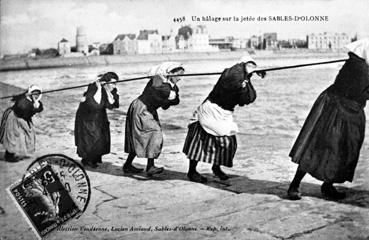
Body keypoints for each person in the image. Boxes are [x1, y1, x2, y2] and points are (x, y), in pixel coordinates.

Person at [287, 39, 369, 200]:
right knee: (320, 146)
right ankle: (294, 185)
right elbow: (359, 91)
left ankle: (327, 185)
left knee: (342, 149)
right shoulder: (358, 68)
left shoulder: (359, 64)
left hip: (351, 111)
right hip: (336, 110)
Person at [183, 56, 266, 183]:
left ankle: (216, 167)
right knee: (200, 140)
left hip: (225, 113)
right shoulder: (232, 73)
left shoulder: (243, 79)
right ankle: (192, 171)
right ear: (242, 64)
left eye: (253, 65)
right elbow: (232, 77)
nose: (251, 67)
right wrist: (246, 72)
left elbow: (247, 98)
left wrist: (250, 76)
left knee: (228, 142)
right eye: (249, 65)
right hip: (211, 109)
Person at [123, 62, 184, 176]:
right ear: (170, 73)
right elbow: (160, 97)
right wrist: (169, 95)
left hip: (149, 109)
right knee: (155, 133)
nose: (180, 78)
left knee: (140, 136)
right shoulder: (157, 81)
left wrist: (170, 96)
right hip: (142, 108)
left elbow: (172, 102)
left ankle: (127, 165)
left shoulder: (171, 86)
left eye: (182, 75)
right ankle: (150, 167)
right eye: (178, 75)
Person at [75, 72, 119, 168]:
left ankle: (94, 158)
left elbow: (112, 105)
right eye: (113, 83)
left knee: (100, 137)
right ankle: (87, 160)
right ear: (105, 82)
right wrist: (99, 88)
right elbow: (95, 105)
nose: (114, 86)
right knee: (90, 137)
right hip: (87, 117)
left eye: (116, 83)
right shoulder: (93, 88)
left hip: (99, 116)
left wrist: (108, 91)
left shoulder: (109, 90)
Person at [0, 85, 44, 162]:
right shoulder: (23, 101)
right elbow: (23, 112)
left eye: (38, 94)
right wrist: (34, 108)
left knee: (29, 133)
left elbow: (40, 108)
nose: (36, 96)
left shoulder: (34, 101)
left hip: (23, 117)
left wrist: (36, 106)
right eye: (34, 93)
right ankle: (9, 156)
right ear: (30, 93)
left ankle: (16, 153)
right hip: (14, 117)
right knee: (13, 135)